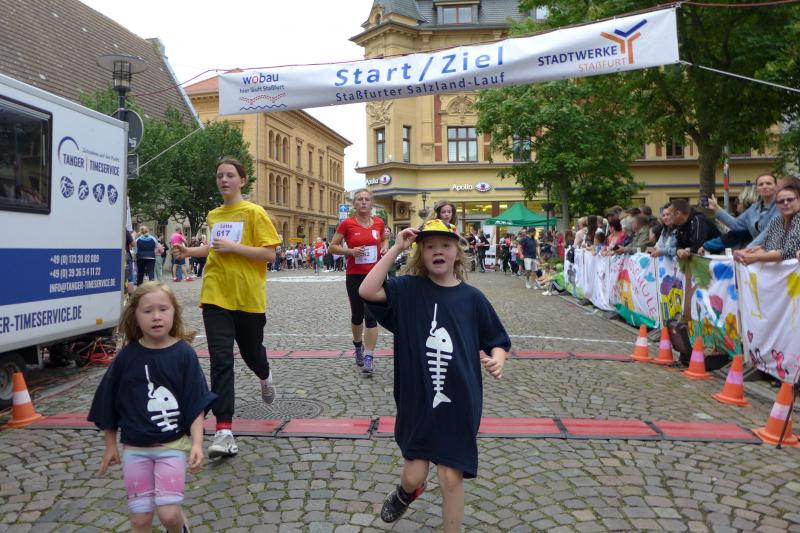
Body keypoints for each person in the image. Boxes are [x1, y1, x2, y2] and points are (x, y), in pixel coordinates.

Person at [358, 219, 510, 531]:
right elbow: (367, 290)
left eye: (445, 245)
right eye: (429, 247)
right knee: (414, 475)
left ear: (457, 252)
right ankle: (407, 492)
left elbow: (497, 340)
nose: (437, 251)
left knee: (450, 476)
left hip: (460, 401)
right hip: (417, 400)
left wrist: (498, 358)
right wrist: (395, 249)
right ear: (420, 253)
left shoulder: (473, 299)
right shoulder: (407, 290)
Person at [173, 157, 280, 458]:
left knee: (251, 353)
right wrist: (188, 251)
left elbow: (269, 254)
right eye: (220, 175)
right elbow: (214, 248)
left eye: (230, 175)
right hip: (216, 294)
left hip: (247, 296)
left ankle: (264, 374)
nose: (223, 180)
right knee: (221, 360)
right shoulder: (214, 215)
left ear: (242, 181)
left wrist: (235, 248)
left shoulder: (254, 213)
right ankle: (224, 430)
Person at [88, 282, 215, 533]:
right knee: (140, 520)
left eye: (163, 309)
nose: (156, 316)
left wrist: (197, 444)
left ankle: (180, 528)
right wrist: (110, 445)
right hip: (135, 449)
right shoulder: (126, 358)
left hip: (172, 446)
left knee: (169, 514)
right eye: (147, 311)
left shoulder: (184, 354)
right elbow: (108, 401)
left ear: (174, 312)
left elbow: (195, 403)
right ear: (135, 316)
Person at [328, 188, 388, 374]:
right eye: (360, 199)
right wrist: (350, 252)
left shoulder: (379, 223)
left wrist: (384, 248)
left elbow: (384, 240)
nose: (363, 202)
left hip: (375, 275)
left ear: (371, 203)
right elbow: (332, 247)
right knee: (357, 315)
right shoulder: (347, 223)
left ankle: (369, 356)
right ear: (354, 204)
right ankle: (358, 346)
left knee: (371, 315)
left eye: (367, 199)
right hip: (355, 275)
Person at [707, 173, 778, 251]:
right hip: (758, 252)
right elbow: (736, 225)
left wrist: (747, 250)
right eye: (761, 184)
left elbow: (768, 232)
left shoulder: (780, 206)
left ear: (776, 187)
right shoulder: (753, 208)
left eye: (768, 183)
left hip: (777, 252)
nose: (764, 186)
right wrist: (716, 208)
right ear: (757, 188)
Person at [734, 182, 800, 265]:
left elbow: (789, 251)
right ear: (777, 205)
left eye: (790, 200)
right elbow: (769, 247)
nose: (785, 203)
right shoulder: (777, 221)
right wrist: (745, 254)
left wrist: (755, 257)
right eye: (781, 201)